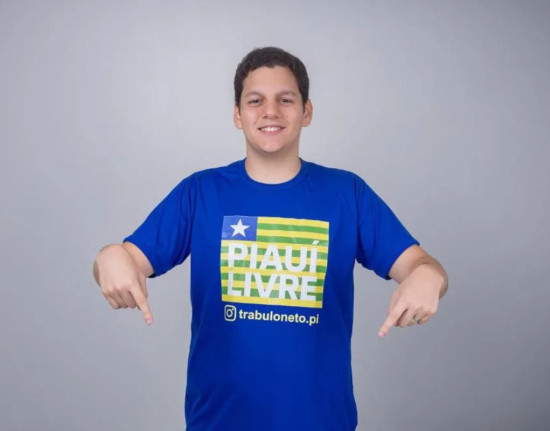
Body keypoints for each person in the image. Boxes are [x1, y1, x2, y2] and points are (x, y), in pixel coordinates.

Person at [93, 46, 448, 431]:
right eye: (255, 100)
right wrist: (109, 256)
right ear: (238, 114)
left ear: (306, 111)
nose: (270, 112)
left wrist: (428, 277)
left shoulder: (347, 194)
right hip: (218, 423)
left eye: (286, 100)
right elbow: (126, 260)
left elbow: (422, 267)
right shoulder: (200, 193)